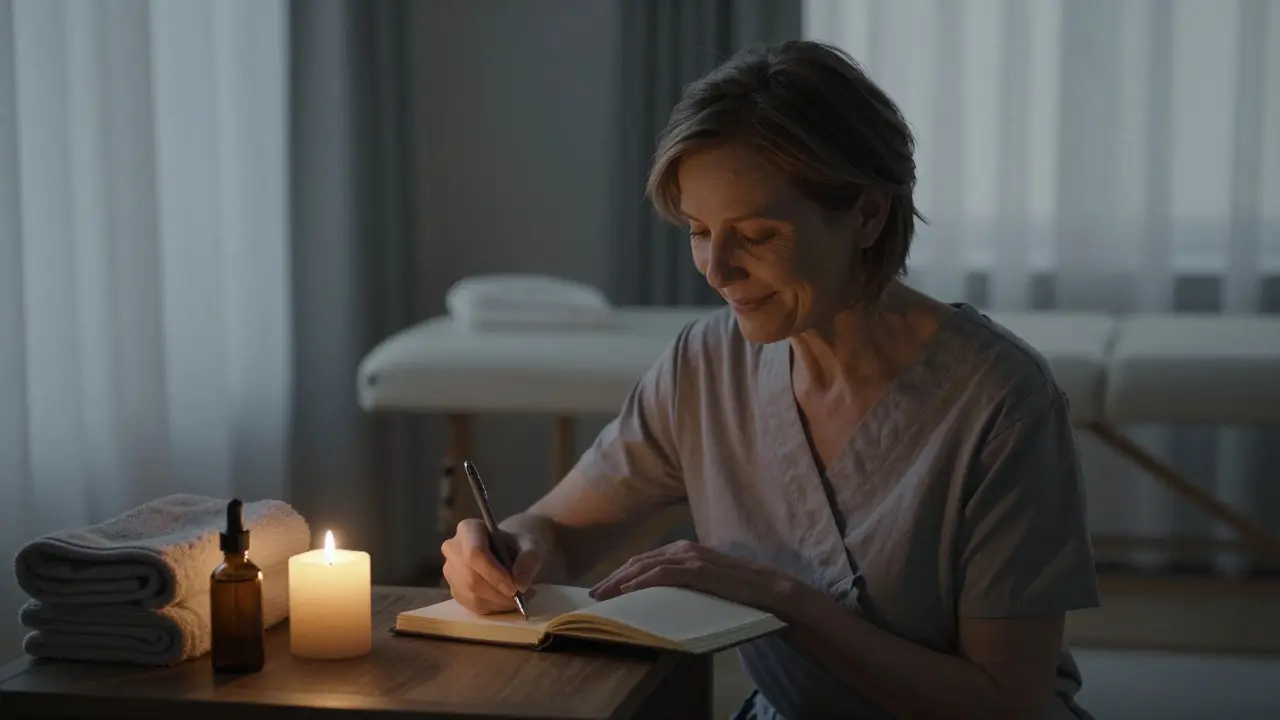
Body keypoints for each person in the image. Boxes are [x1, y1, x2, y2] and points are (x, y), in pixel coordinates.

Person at [441, 40, 1100, 720]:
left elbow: (1004, 704)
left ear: (868, 215)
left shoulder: (999, 403)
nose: (716, 269)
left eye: (755, 235)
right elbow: (559, 526)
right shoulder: (706, 369)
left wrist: (780, 599)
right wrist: (504, 551)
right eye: (699, 230)